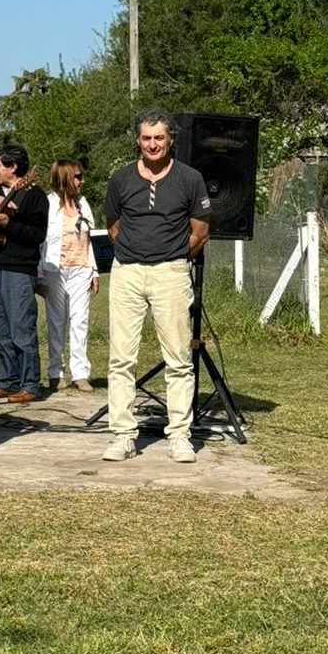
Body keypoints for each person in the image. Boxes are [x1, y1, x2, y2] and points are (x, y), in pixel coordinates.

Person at [102, 108, 211, 464]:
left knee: (179, 358)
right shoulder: (120, 179)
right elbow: (114, 225)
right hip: (128, 272)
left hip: (171, 273)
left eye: (159, 138)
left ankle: (180, 435)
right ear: (138, 140)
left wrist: (176, 258)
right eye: (147, 138)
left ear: (171, 141)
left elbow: (200, 231)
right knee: (121, 358)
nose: (152, 144)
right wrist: (135, 253)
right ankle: (122, 435)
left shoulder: (190, 178)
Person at [0, 144, 48, 404]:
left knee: (22, 328)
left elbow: (37, 235)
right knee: (0, 329)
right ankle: (7, 381)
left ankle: (30, 384)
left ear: (14, 168)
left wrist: (10, 223)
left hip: (20, 269)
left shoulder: (34, 195)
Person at [37, 160, 100, 393]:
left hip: (81, 268)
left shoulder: (83, 203)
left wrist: (94, 271)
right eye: (77, 176)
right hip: (55, 269)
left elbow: (88, 239)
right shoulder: (48, 203)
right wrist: (40, 276)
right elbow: (41, 243)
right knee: (56, 321)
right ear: (64, 178)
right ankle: (55, 371)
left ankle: (80, 373)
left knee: (80, 321)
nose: (81, 181)